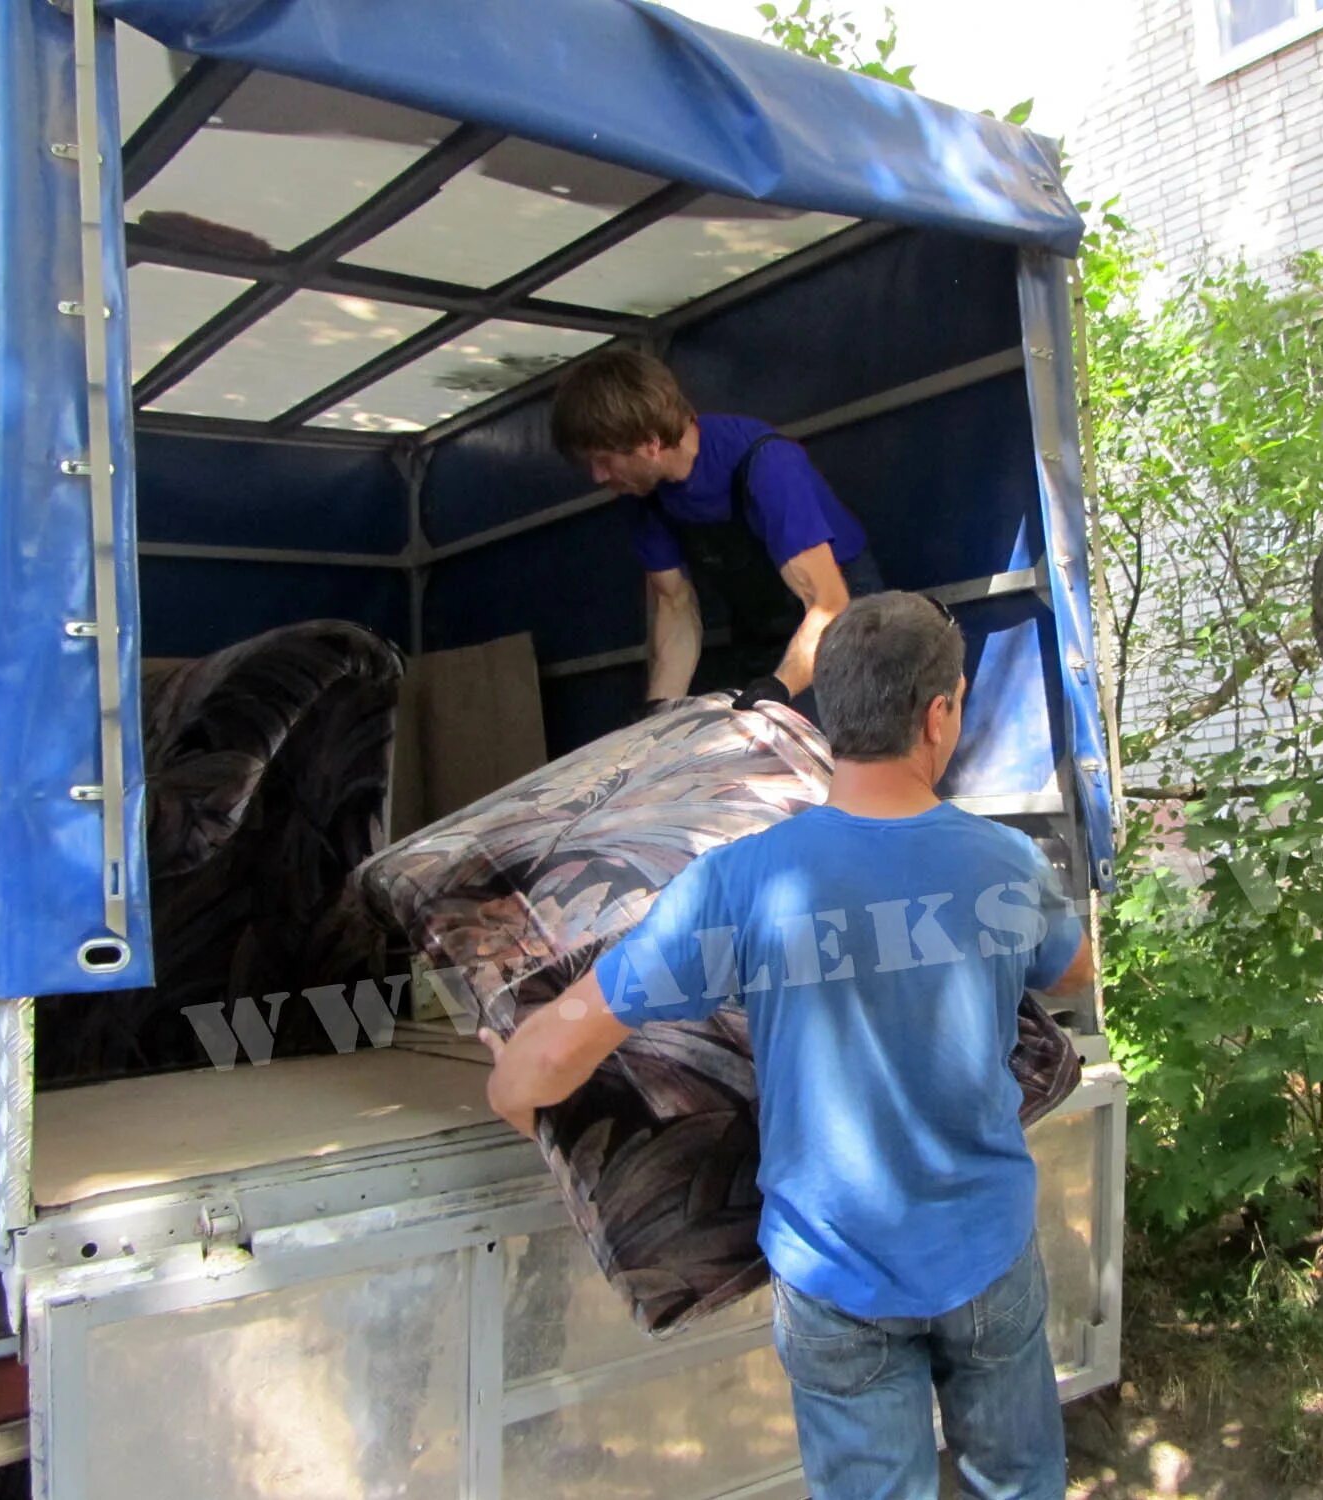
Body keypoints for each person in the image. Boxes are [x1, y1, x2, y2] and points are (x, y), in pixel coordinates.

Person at [480, 592, 1090, 1500]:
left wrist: (510, 1088)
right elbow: (1073, 975)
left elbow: (554, 1053)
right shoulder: (1005, 865)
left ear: (825, 711)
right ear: (940, 712)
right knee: (1018, 1484)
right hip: (985, 1250)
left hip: (834, 1275)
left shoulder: (739, 883)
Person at [550, 348, 884, 715]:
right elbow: (674, 605)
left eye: (604, 461)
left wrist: (779, 688)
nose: (598, 477)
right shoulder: (641, 495)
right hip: (759, 622)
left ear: (650, 443)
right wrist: (659, 714)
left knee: (815, 736)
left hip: (842, 610)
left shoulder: (766, 463)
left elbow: (828, 603)